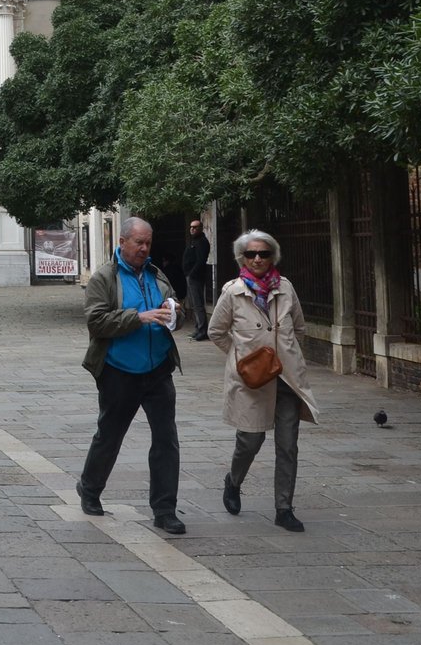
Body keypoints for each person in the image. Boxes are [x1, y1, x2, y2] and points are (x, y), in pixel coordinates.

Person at [76, 217, 185, 534]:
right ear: (122, 241)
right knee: (110, 435)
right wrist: (139, 317)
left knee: (167, 440)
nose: (144, 248)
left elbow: (176, 308)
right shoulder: (104, 278)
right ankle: (90, 488)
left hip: (159, 369)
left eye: (148, 242)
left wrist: (174, 312)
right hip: (119, 371)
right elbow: (97, 322)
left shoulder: (156, 273)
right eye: (139, 242)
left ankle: (165, 510)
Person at [209, 229, 319, 532]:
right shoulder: (233, 292)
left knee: (288, 445)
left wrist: (289, 355)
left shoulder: (285, 288)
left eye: (264, 253)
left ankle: (284, 508)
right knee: (250, 441)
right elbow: (216, 331)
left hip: (286, 379)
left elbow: (299, 328)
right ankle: (233, 481)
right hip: (251, 381)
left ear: (273, 256)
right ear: (242, 258)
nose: (258, 259)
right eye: (251, 254)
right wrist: (240, 359)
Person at [183, 218, 214, 342]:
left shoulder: (202, 242)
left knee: (198, 303)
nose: (192, 229)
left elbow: (201, 261)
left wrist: (191, 274)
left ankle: (202, 330)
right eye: (191, 227)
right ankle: (198, 328)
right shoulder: (194, 241)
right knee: (195, 304)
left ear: (200, 229)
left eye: (195, 227)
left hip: (196, 277)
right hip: (191, 276)